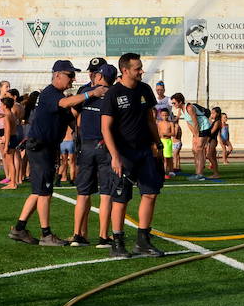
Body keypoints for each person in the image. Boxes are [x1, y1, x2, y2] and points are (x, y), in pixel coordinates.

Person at [10, 61, 91, 246]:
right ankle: (46, 235)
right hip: (41, 147)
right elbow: (65, 103)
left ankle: (19, 229)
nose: (73, 79)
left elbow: (70, 115)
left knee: (38, 191)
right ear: (57, 75)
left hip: (45, 147)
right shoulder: (50, 93)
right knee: (45, 192)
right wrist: (90, 94)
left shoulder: (56, 96)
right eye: (70, 75)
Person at [100, 52, 166, 258]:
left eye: (141, 67)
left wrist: (158, 144)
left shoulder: (145, 89)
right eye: (137, 68)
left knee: (150, 193)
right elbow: (105, 129)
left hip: (145, 151)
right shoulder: (113, 94)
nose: (141, 71)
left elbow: (149, 120)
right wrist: (115, 156)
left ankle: (143, 241)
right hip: (123, 154)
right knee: (121, 199)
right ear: (125, 70)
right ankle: (117, 242)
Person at [71, 63, 117, 247]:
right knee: (106, 193)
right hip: (105, 145)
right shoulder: (114, 94)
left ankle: (78, 235)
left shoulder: (85, 91)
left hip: (87, 145)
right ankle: (103, 236)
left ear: (99, 76)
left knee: (82, 193)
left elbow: (74, 110)